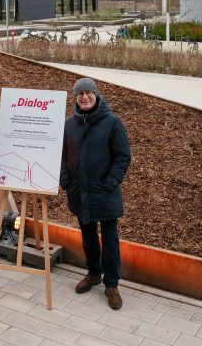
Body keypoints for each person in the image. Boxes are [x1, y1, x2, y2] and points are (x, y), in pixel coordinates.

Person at [60, 77, 131, 310]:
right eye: (80, 94)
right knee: (88, 236)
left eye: (88, 93)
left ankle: (111, 284)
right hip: (79, 192)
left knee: (109, 239)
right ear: (76, 98)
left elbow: (122, 157)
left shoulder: (112, 123)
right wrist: (67, 182)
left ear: (96, 95)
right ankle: (93, 273)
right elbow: (62, 156)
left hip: (105, 192)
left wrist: (110, 182)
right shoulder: (69, 125)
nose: (84, 97)